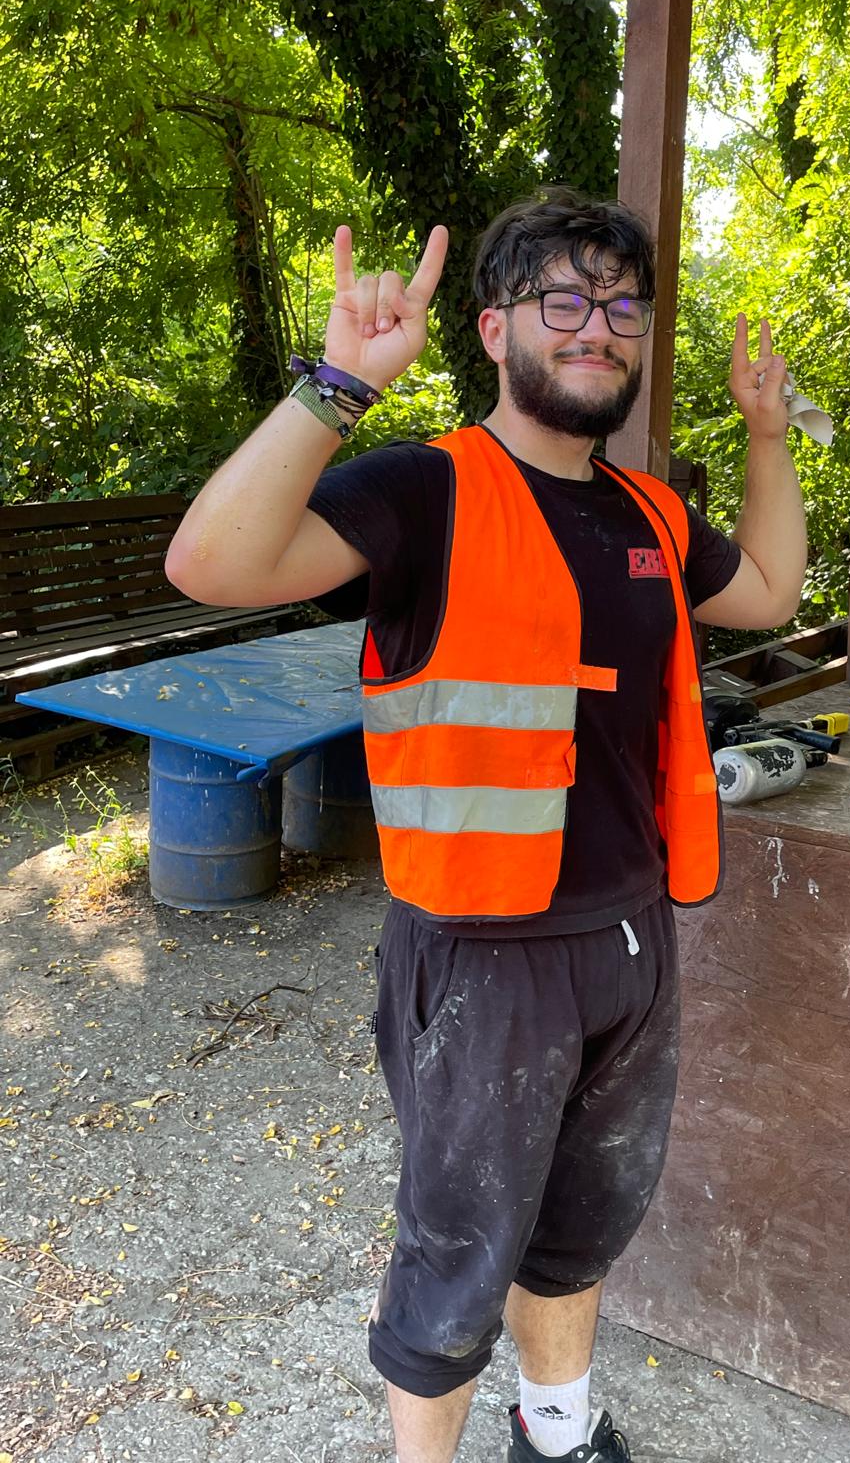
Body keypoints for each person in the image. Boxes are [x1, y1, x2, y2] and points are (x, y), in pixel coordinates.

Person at [166, 188, 807, 1463]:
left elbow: (776, 591)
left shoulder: (650, 515)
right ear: (496, 327)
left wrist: (769, 434)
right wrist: (338, 388)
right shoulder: (427, 489)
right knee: (457, 1260)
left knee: (580, 1228)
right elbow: (212, 564)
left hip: (633, 939)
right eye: (563, 300)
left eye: (622, 306)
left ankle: (557, 1429)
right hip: (481, 958)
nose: (597, 327)